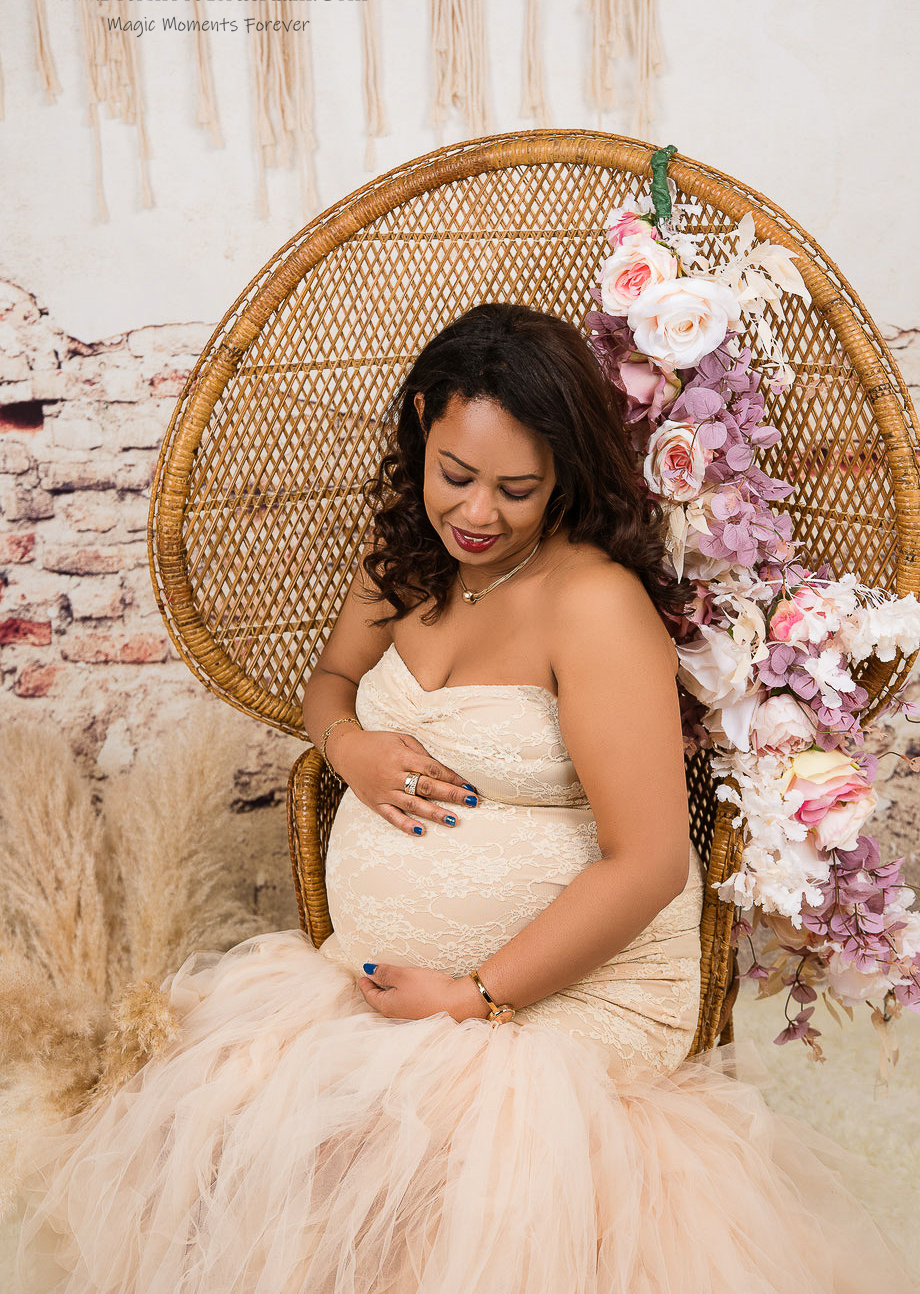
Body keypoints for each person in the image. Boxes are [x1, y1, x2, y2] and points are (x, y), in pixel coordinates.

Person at [11, 303, 917, 1292]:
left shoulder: (591, 604)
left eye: (515, 488)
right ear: (419, 426)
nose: (478, 514)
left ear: (562, 471)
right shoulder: (398, 561)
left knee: (432, 1193)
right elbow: (326, 687)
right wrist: (348, 743)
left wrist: (474, 996)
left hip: (555, 1000)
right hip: (384, 981)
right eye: (456, 475)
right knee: (248, 1159)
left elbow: (650, 861)